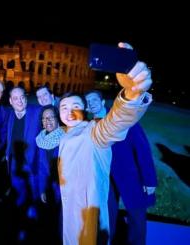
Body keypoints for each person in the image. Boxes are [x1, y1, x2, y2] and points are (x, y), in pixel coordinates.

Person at [57, 42, 153, 245]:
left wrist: (132, 93)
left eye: (76, 106)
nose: (69, 111)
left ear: (84, 111)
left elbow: (116, 122)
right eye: (64, 107)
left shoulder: (93, 131)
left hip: (90, 220)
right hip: (69, 217)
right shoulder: (64, 135)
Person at [85, 89, 157, 245]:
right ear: (87, 108)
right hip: (105, 178)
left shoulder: (122, 118)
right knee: (107, 215)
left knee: (136, 216)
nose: (91, 103)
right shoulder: (89, 127)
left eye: (94, 100)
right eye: (88, 102)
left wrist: (149, 180)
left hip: (130, 175)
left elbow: (142, 148)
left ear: (103, 102)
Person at [6, 86, 42, 242]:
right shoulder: (9, 115)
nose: (20, 101)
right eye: (16, 98)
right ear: (10, 101)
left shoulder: (37, 111)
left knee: (35, 199)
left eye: (22, 97)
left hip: (33, 164)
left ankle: (34, 232)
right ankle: (21, 230)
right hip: (15, 163)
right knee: (19, 199)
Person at [35, 105, 64, 244]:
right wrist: (41, 190)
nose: (48, 121)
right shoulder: (41, 140)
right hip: (47, 189)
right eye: (44, 118)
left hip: (64, 190)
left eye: (51, 117)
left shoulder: (66, 138)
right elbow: (41, 169)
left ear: (57, 119)